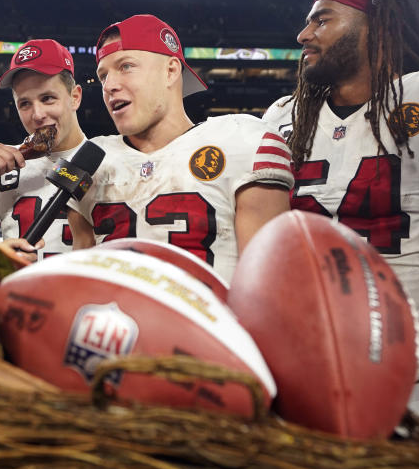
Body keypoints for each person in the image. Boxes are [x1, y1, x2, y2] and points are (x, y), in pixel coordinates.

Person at [262, 0, 419, 422]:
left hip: (416, 385)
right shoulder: (282, 116)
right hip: (301, 374)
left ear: (378, 22)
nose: (304, 35)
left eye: (323, 19)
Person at [68, 14, 292, 282]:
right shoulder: (91, 160)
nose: (110, 85)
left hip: (214, 320)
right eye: (103, 76)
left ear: (171, 71)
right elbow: (80, 277)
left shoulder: (240, 139)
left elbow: (268, 284)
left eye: (126, 66)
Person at [0, 39, 85, 258]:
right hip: (17, 289)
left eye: (47, 98)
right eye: (24, 104)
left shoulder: (109, 160)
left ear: (74, 97)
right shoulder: (2, 167)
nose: (37, 115)